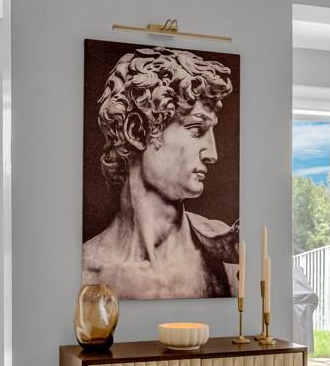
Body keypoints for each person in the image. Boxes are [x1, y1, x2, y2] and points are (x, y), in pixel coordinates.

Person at [82, 45, 239, 299]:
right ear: (136, 132)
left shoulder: (226, 256)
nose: (212, 154)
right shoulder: (87, 273)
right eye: (196, 130)